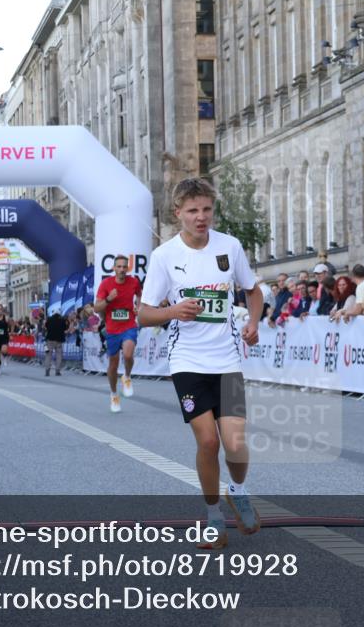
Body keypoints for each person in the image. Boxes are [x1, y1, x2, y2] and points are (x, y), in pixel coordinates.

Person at [137, 177, 264, 550]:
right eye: (193, 210)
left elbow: (252, 290)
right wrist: (173, 311)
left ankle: (237, 491)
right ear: (178, 213)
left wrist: (253, 322)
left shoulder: (229, 246)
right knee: (208, 442)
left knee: (236, 443)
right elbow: (143, 315)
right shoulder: (165, 257)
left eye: (207, 209)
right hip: (187, 361)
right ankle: (212, 519)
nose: (201, 217)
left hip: (226, 359)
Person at [96, 254, 143, 412]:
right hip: (112, 329)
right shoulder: (106, 284)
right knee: (113, 365)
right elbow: (97, 308)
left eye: (124, 267)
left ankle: (127, 377)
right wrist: (109, 299)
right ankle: (114, 394)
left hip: (129, 325)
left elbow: (140, 294)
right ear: (114, 268)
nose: (122, 269)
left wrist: (139, 305)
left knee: (129, 354)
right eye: (119, 267)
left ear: (127, 268)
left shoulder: (133, 282)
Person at [44, 307, 68, 376]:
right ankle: (57, 370)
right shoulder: (62, 320)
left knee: (48, 355)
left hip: (50, 339)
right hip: (59, 340)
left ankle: (47, 370)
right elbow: (65, 328)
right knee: (59, 355)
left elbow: (46, 327)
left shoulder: (49, 319)